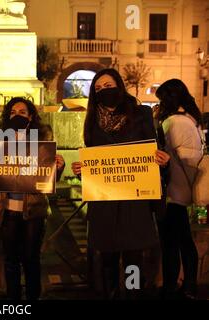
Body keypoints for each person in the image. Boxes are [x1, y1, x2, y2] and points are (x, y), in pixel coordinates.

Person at [71, 68, 170, 299]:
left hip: (134, 202)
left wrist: (161, 160)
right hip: (105, 202)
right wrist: (82, 171)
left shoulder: (141, 114)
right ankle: (111, 293)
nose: (103, 91)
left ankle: (133, 294)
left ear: (118, 85)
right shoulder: (92, 120)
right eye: (98, 89)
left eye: (107, 86)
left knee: (133, 259)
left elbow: (152, 148)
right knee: (107, 258)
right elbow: (94, 158)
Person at [0, 97, 65, 300]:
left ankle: (33, 297)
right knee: (10, 261)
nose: (17, 115)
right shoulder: (0, 142)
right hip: (6, 210)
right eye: (13, 112)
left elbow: (48, 178)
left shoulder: (42, 140)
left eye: (22, 112)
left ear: (31, 116)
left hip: (33, 211)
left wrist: (58, 168)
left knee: (31, 259)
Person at [155, 79, 203, 299]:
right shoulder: (190, 121)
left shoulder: (174, 122)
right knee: (182, 240)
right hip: (180, 190)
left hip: (173, 191)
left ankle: (173, 285)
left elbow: (181, 158)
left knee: (172, 242)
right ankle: (187, 284)